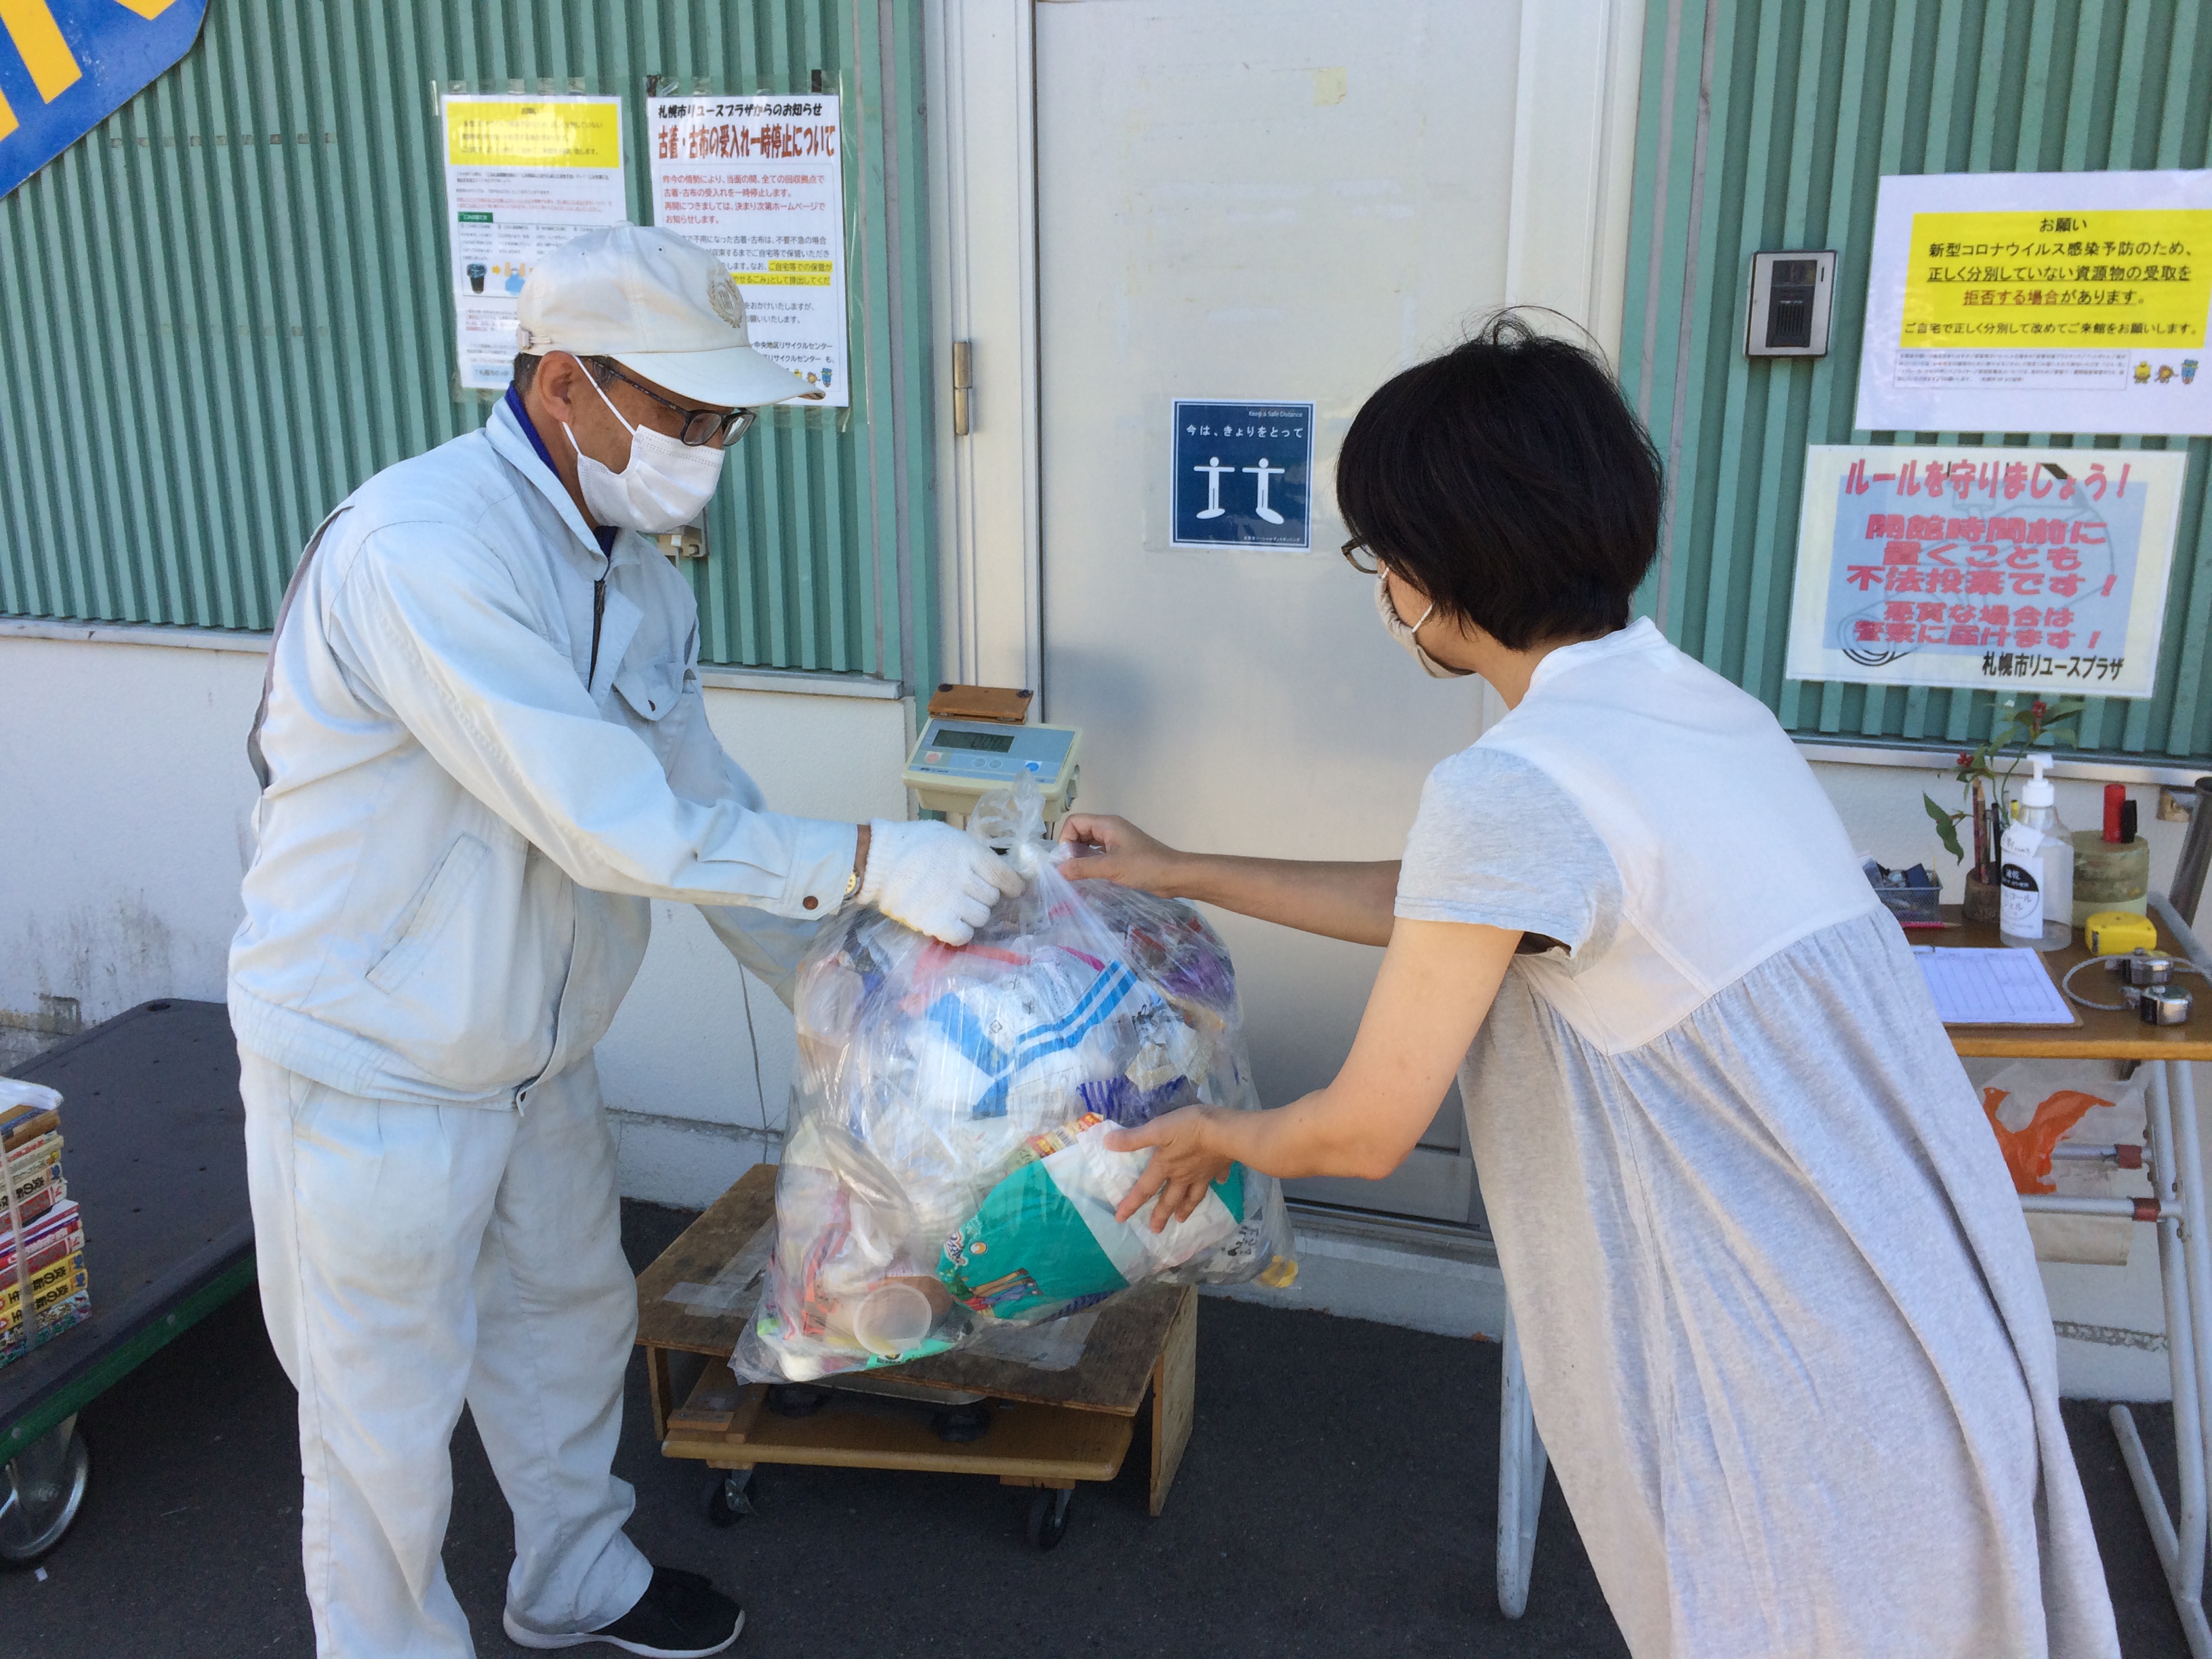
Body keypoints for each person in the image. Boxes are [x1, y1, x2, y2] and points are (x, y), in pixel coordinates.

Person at [1061, 315, 2121, 1658]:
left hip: (1800, 1384)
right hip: (1928, 1323)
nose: (1381, 589)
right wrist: (1181, 867)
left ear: (1439, 566)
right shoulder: (1698, 710)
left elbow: (1365, 1130)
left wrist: (1217, 1132)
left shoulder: (1514, 784)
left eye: (1380, 555)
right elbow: (1460, 913)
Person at [229, 224, 1021, 1658]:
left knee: (567, 1326)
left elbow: (708, 811)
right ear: (563, 383)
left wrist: (867, 994)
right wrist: (869, 857)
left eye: (724, 421)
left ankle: (573, 1578)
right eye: (685, 413)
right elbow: (612, 822)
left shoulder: (640, 577)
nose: (708, 449)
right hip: (370, 1060)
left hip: (536, 1049)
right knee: (377, 1418)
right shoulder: (423, 549)